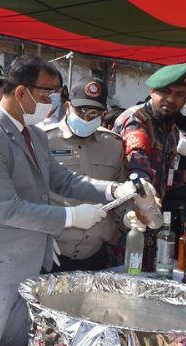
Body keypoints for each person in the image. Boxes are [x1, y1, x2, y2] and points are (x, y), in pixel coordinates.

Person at [0, 55, 151, 346]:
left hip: (30, 263)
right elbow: (6, 208)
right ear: (21, 93)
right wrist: (70, 216)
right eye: (46, 94)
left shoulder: (33, 133)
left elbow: (65, 180)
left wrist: (115, 189)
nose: (52, 103)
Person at [114, 60, 186, 242]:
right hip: (122, 220)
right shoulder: (136, 121)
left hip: (150, 218)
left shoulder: (172, 131)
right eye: (165, 92)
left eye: (179, 94)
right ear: (151, 91)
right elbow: (138, 162)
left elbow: (161, 176)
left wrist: (184, 176)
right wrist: (145, 191)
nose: (171, 99)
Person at [44, 77, 127, 272]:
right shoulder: (45, 140)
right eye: (80, 110)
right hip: (51, 252)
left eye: (94, 112)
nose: (87, 118)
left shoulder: (113, 145)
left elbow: (120, 193)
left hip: (95, 255)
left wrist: (128, 216)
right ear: (67, 106)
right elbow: (30, 195)